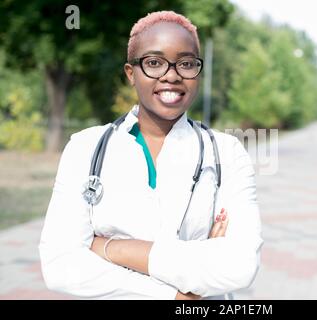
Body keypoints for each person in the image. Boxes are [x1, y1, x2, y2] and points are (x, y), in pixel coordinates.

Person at [39, 10, 263, 300]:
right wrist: (174, 293)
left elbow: (239, 267)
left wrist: (112, 248)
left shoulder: (226, 152)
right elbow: (60, 266)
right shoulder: (85, 148)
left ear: (198, 72)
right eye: (154, 63)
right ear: (131, 74)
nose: (171, 75)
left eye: (186, 63)